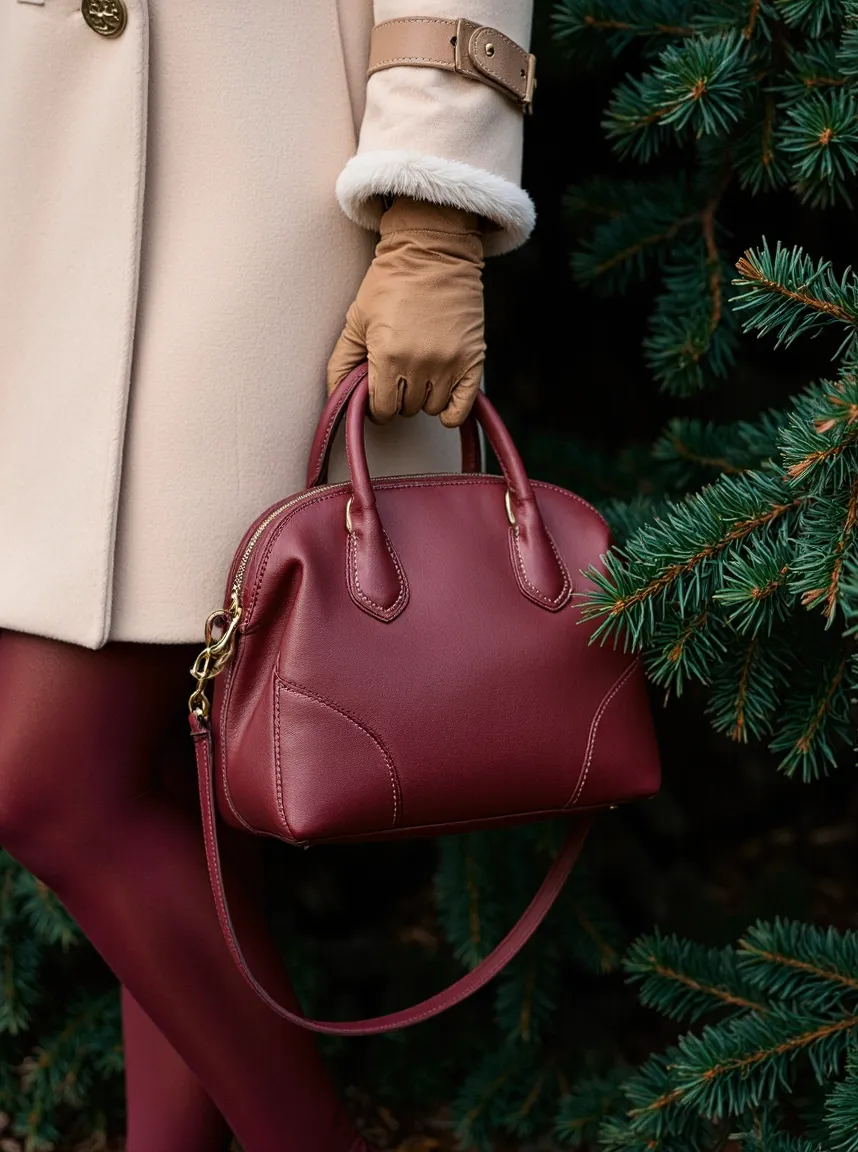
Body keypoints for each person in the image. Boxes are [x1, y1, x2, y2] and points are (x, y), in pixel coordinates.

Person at [0, 2, 534, 1149]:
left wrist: (433, 210)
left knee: (50, 784)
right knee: (184, 782)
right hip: (37, 190)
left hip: (262, 180)